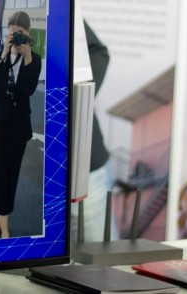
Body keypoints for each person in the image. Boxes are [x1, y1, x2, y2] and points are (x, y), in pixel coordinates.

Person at [0, 11, 42, 239]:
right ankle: (1, 225)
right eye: (13, 33)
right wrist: (5, 54)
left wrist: (27, 59)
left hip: (17, 128)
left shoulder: (34, 59)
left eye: (21, 33)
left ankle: (2, 227)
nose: (17, 37)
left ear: (28, 33)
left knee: (9, 176)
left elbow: (27, 90)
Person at [70, 20, 118, 243]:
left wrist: (72, 102)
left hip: (84, 166)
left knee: (99, 255)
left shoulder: (60, 3)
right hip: (32, 171)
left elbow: (97, 52)